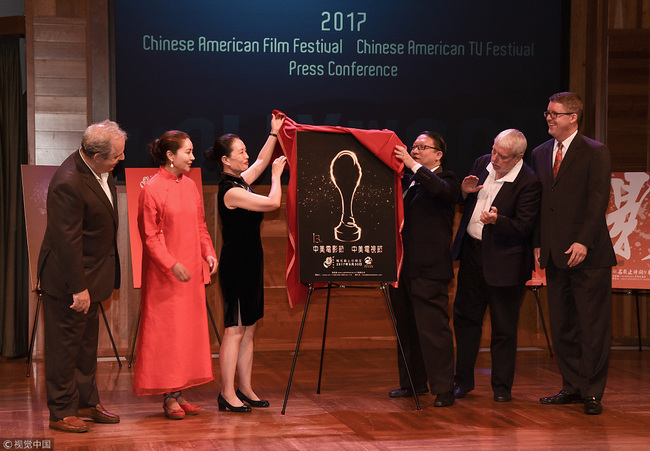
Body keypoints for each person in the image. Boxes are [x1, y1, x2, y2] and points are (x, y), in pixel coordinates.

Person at [37, 120, 126, 433]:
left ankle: (86, 402)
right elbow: (67, 242)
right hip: (68, 281)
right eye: (117, 156)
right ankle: (61, 411)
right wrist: (78, 289)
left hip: (93, 276)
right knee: (64, 348)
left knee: (86, 346)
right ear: (97, 156)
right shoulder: (68, 182)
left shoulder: (101, 169)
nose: (121, 160)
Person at [531, 92, 616, 415]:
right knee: (563, 323)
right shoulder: (540, 153)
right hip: (554, 253)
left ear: (573, 118)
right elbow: (540, 204)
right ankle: (572, 386)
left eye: (555, 113)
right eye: (548, 112)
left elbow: (598, 200)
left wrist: (584, 241)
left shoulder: (595, 152)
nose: (549, 118)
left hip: (588, 254)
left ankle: (592, 392)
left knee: (592, 325)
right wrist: (539, 242)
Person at [204, 112, 286, 412]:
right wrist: (277, 178)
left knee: (249, 328)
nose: (246, 156)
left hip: (251, 262)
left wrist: (274, 134)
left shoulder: (241, 181)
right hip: (236, 266)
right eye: (240, 152)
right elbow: (273, 202)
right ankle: (227, 393)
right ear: (225, 160)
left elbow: (261, 163)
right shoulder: (232, 191)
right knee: (235, 329)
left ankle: (246, 388)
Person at [451, 129, 541, 402]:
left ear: (518, 157)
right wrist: (463, 193)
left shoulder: (529, 182)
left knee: (503, 328)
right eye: (494, 151)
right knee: (466, 321)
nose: (495, 159)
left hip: (505, 264)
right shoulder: (481, 164)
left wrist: (497, 222)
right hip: (472, 256)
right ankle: (462, 382)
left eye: (502, 156)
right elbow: (463, 202)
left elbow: (525, 226)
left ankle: (502, 389)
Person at [133, 130, 218, 419]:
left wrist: (208, 252)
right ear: (170, 156)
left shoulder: (191, 185)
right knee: (168, 336)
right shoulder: (153, 188)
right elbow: (150, 236)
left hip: (191, 273)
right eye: (188, 152)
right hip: (166, 277)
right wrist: (171, 264)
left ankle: (178, 393)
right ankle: (169, 397)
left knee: (186, 334)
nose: (193, 157)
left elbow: (200, 225)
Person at [388, 131, 461, 408]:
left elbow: (442, 191)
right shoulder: (408, 183)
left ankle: (444, 388)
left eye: (422, 147)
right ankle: (412, 383)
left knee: (433, 329)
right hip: (402, 267)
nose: (415, 150)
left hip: (429, 269)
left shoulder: (448, 180)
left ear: (438, 154)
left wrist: (411, 164)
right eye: (413, 147)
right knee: (406, 327)